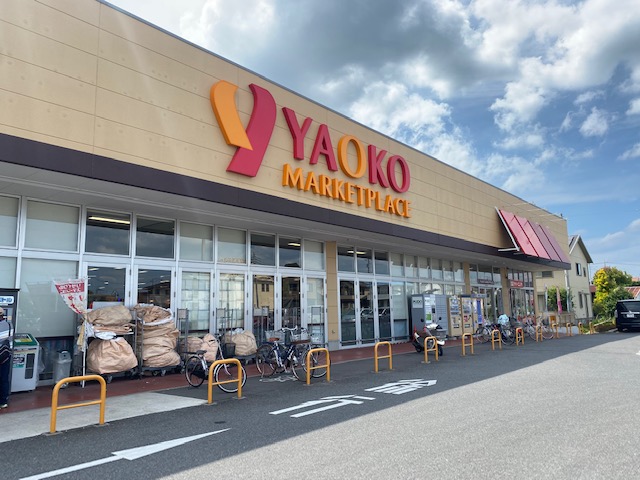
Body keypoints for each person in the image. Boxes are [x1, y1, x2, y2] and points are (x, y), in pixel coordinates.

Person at [0, 307, 13, 409]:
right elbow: (10, 341)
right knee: (4, 379)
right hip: (5, 356)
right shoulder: (9, 325)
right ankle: (3, 401)